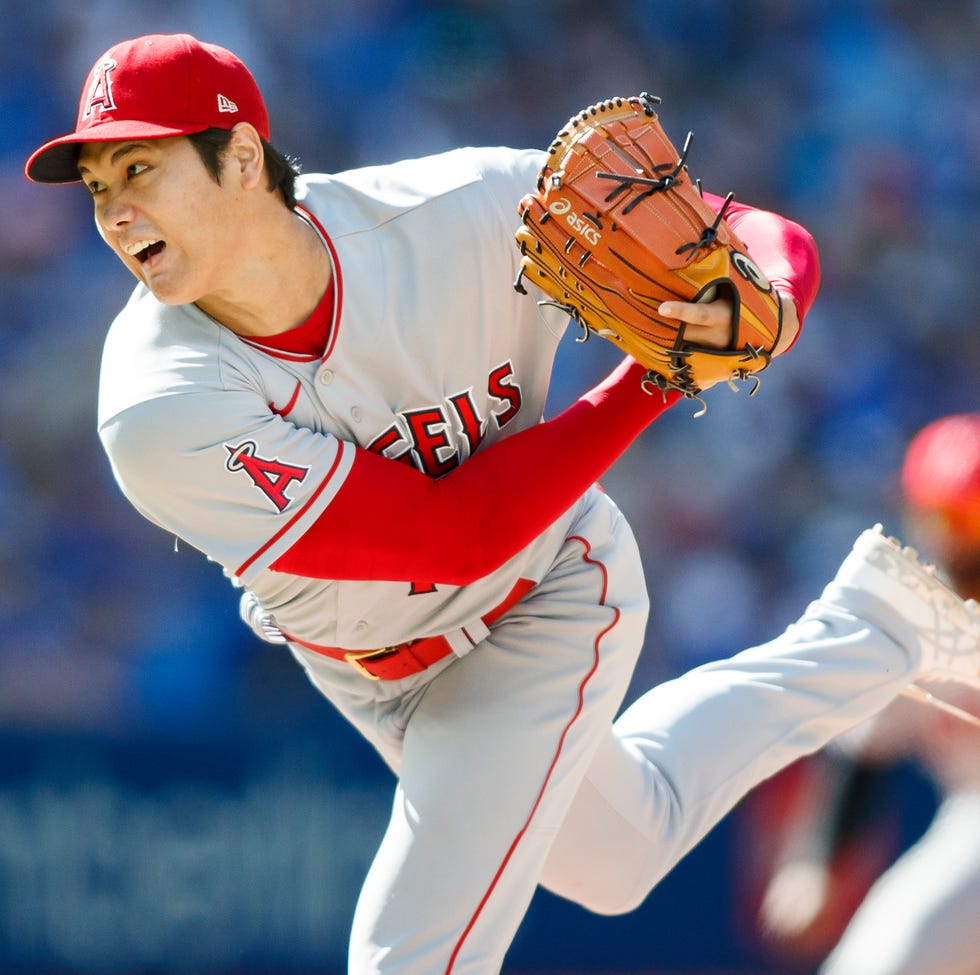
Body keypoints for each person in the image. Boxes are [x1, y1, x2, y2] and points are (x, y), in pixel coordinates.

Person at [24, 33, 980, 975]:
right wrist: (655, 377)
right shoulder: (156, 403)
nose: (114, 209)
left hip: (545, 592)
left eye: (140, 167)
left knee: (408, 952)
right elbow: (451, 533)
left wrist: (762, 293)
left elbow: (764, 237)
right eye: (100, 185)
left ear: (239, 156)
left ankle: (880, 629)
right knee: (621, 853)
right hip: (370, 665)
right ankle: (879, 625)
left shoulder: (468, 211)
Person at [754, 413, 980, 975]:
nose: (957, 539)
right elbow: (863, 756)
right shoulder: (921, 619)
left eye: (969, 520)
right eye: (947, 518)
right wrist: (816, 863)